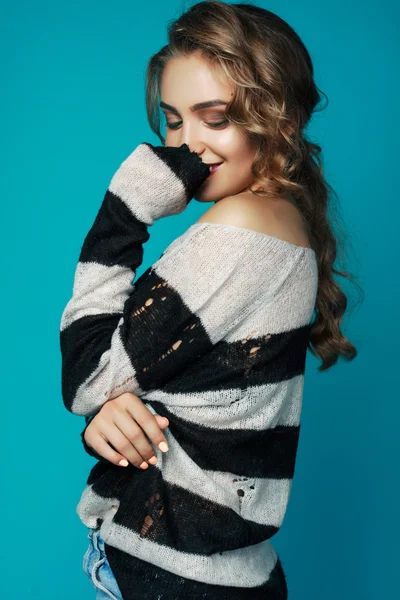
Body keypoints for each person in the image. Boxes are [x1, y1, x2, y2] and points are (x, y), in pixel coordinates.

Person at [60, 2, 360, 598]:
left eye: (215, 118)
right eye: (172, 121)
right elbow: (139, 389)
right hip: (213, 571)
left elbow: (90, 372)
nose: (187, 144)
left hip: (174, 574)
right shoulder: (279, 220)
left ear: (280, 121)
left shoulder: (241, 229)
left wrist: (124, 208)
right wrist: (111, 413)